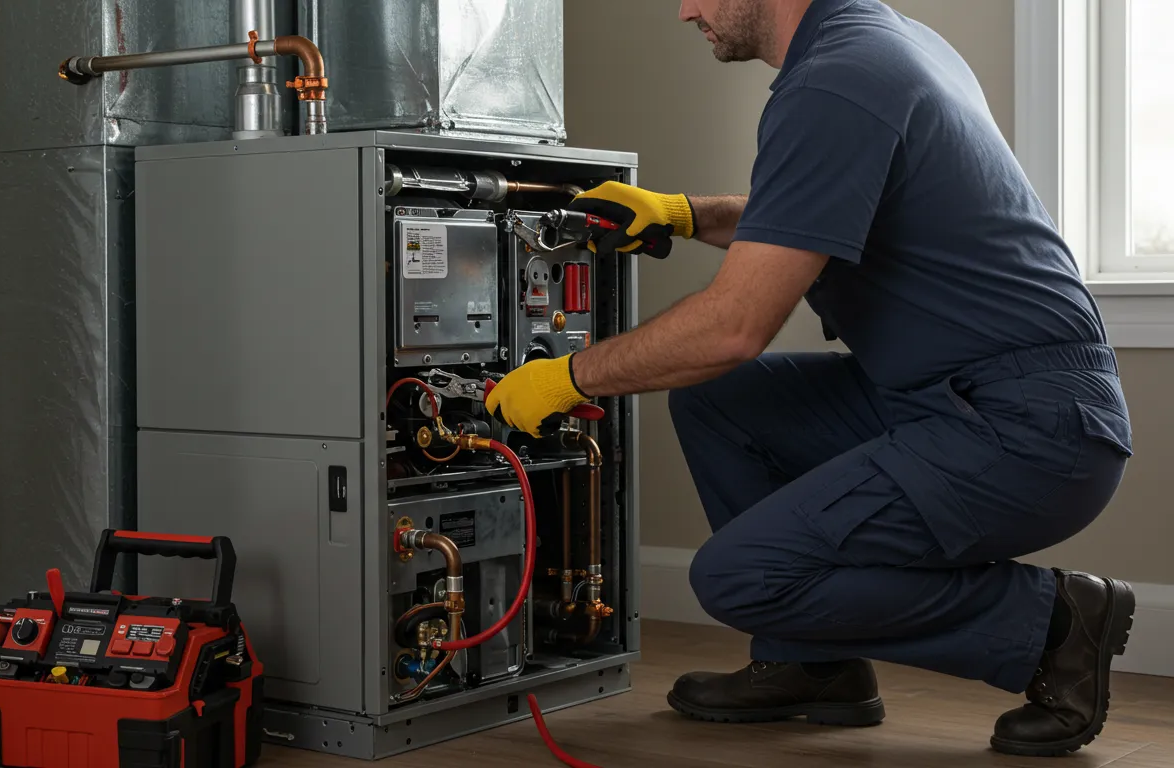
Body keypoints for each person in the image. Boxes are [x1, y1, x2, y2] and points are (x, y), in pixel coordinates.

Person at [485, 0, 1137, 757]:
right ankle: (813, 664)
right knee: (721, 405)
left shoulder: (839, 79)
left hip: (1028, 429)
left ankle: (1053, 622)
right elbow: (816, 211)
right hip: (959, 397)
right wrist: (684, 213)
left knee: (736, 578)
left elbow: (734, 327)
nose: (683, 10)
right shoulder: (883, 44)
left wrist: (568, 378)